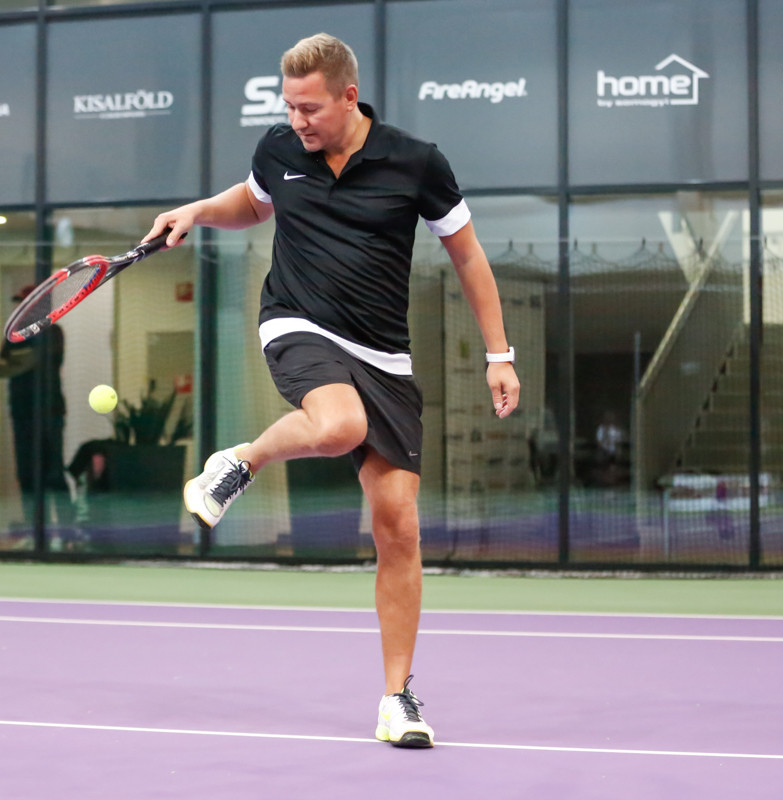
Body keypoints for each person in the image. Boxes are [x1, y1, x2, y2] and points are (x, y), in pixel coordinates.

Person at [143, 33, 520, 748]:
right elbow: (253, 203)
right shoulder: (279, 150)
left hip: (385, 355)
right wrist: (196, 210)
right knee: (339, 424)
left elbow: (467, 256)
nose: (297, 121)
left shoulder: (417, 162)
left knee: (398, 527)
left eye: (310, 108)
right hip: (297, 320)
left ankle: (396, 699)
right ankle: (241, 461)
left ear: (350, 97)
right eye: (289, 107)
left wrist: (498, 353)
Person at [0, 285, 72, 530]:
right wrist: (26, 361)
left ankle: (68, 532)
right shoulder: (14, 336)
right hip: (22, 413)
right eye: (19, 302)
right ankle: (34, 530)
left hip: (50, 413)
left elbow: (34, 359)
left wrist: (17, 363)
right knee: (26, 475)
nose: (20, 307)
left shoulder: (53, 332)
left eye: (24, 302)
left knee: (53, 474)